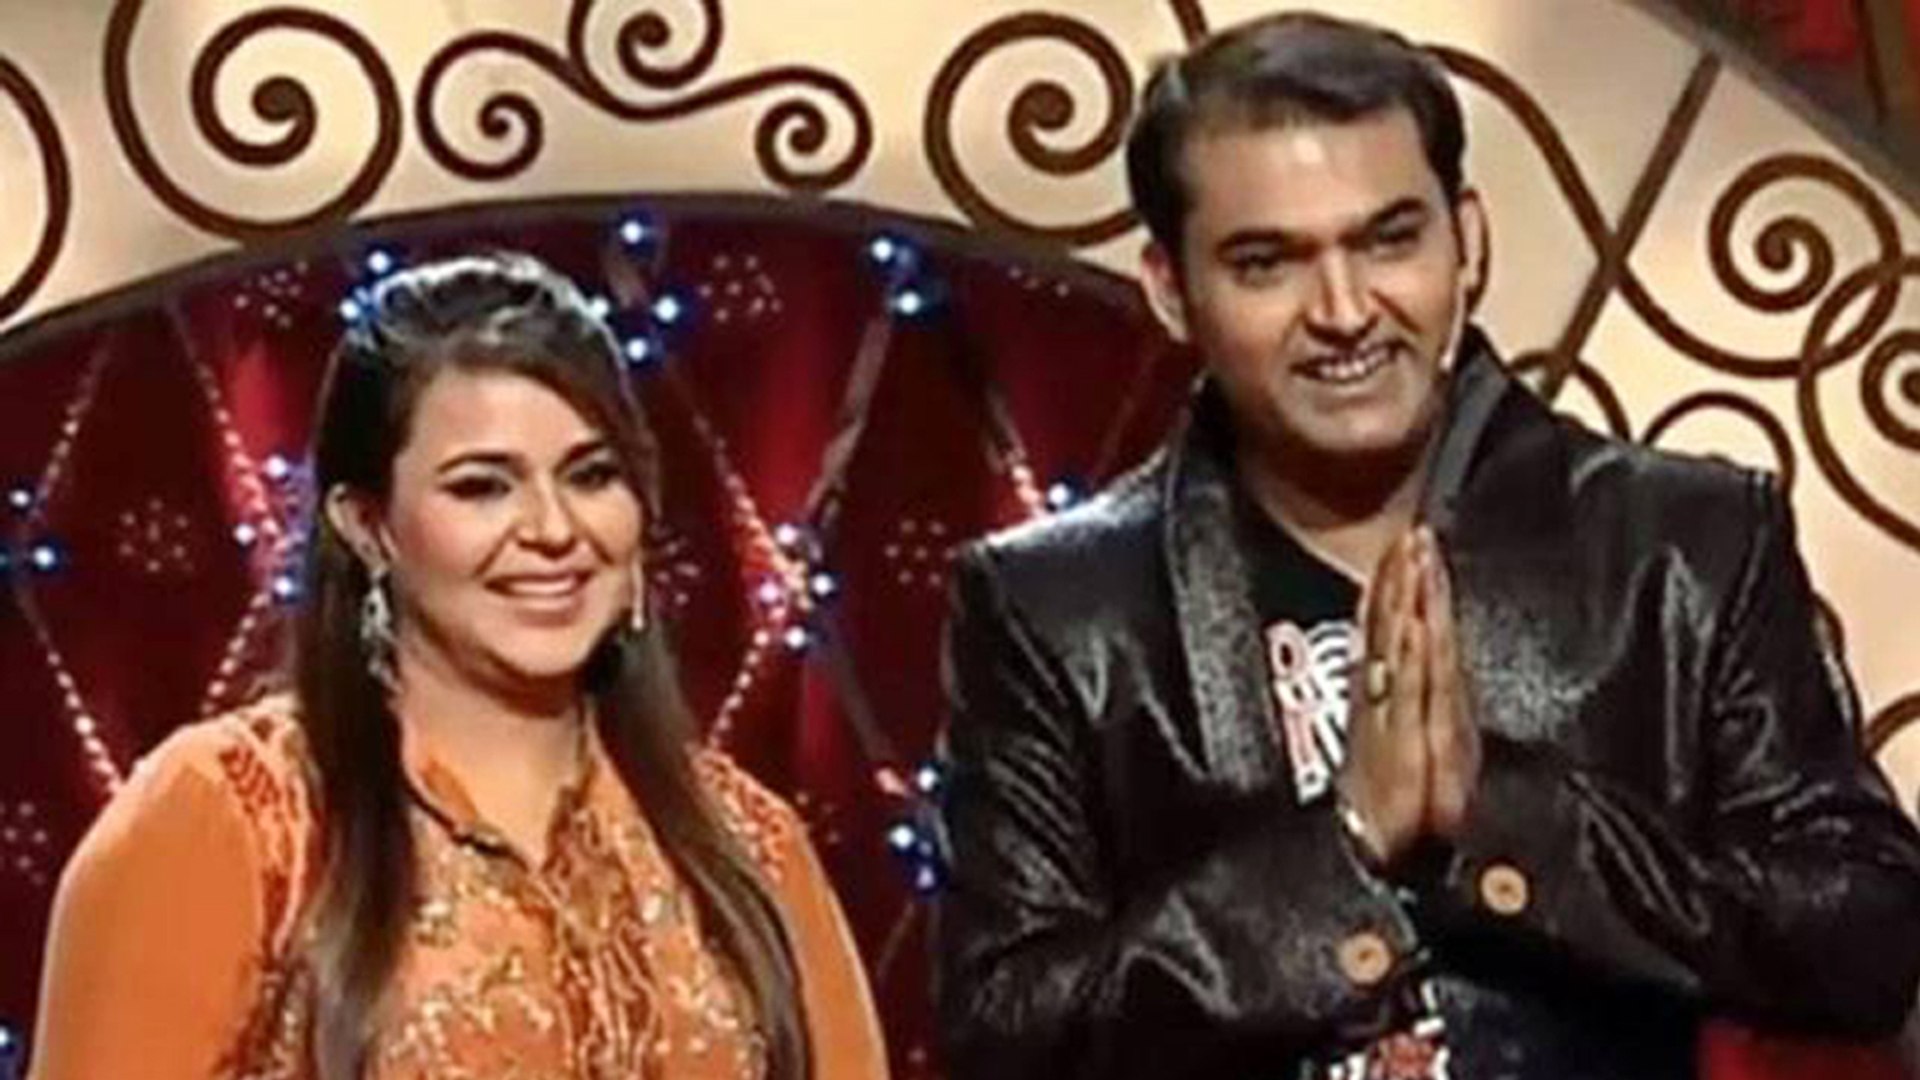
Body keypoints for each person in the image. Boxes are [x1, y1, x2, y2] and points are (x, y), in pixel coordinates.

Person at [933, 12, 1920, 1080]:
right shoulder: (1057, 608)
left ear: (1469, 242)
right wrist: (1346, 845)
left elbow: (1868, 938)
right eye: (1267, 263)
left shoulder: (1680, 544)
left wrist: (1503, 821)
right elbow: (1003, 1033)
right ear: (1172, 289)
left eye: (1389, 240)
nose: (1345, 310)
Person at [30, 252, 889, 1080]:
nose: (554, 530)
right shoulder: (235, 817)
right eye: (483, 486)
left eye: (592, 475)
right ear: (368, 526)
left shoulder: (747, 844)